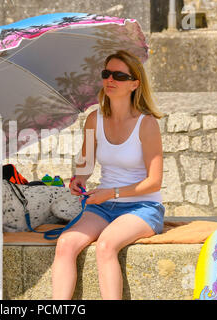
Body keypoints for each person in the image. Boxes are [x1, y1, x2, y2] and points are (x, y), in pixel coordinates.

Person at [51, 50, 165, 300]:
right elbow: (85, 164)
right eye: (106, 74)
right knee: (65, 244)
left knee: (105, 246)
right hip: (103, 206)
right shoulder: (94, 120)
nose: (110, 80)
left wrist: (111, 193)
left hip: (143, 207)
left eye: (119, 75)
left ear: (135, 84)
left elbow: (154, 182)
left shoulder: (147, 124)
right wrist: (78, 179)